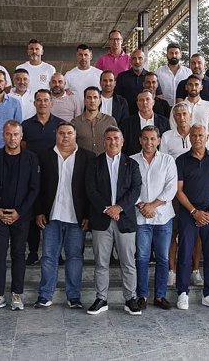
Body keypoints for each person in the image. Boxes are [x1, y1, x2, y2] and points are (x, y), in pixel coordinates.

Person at [34, 122, 95, 309]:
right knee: (48, 257)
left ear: (75, 135)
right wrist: (38, 211)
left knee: (75, 257)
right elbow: (37, 187)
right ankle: (45, 295)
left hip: (76, 218)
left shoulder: (88, 157)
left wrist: (88, 215)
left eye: (69, 133)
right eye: (62, 133)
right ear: (56, 135)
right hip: (51, 216)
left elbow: (91, 190)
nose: (65, 136)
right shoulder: (44, 156)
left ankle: (74, 296)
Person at [86, 126, 142, 315]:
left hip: (125, 220)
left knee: (128, 262)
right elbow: (90, 190)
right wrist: (108, 209)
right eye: (109, 138)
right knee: (101, 262)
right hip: (101, 220)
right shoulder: (95, 163)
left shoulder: (131, 164)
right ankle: (101, 299)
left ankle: (130, 299)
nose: (113, 142)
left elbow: (135, 189)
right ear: (104, 141)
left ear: (122, 141)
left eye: (116, 138)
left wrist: (118, 208)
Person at [0, 120, 40, 311]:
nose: (12, 138)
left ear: (21, 136)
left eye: (16, 134)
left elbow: (34, 189)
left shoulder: (31, 158)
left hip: (21, 216)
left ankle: (17, 293)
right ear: (3, 135)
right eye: (8, 134)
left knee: (18, 254)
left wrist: (20, 212)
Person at [174, 124, 209, 310]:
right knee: (185, 253)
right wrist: (194, 212)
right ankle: (182, 293)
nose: (197, 138)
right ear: (189, 138)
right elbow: (178, 190)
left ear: (206, 138)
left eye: (201, 135)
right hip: (189, 214)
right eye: (194, 135)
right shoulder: (181, 160)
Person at [131, 125, 177, 310]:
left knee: (163, 258)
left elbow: (171, 188)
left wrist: (153, 206)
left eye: (153, 139)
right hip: (141, 218)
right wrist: (143, 205)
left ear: (158, 140)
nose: (149, 142)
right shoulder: (132, 161)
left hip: (163, 218)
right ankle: (142, 295)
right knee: (141, 257)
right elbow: (129, 187)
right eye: (145, 138)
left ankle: (160, 295)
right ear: (140, 140)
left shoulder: (168, 160)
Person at [163, 104, 208, 289]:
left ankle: (195, 271)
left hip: (196, 191)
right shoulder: (167, 137)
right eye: (178, 114)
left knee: (197, 234)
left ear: (190, 116)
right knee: (173, 233)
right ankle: (171, 272)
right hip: (174, 193)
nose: (181, 117)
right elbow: (164, 164)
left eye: (184, 114)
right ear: (174, 117)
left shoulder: (199, 133)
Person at [21, 89, 65, 265]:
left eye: (46, 100)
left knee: (54, 213)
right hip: (31, 175)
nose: (42, 103)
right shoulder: (26, 125)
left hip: (54, 175)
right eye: (39, 100)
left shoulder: (60, 124)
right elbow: (22, 148)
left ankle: (57, 252)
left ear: (51, 103)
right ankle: (32, 251)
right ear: (34, 103)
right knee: (32, 213)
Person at [119, 89, 170, 156]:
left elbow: (167, 144)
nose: (144, 102)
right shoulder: (127, 123)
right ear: (137, 103)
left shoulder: (164, 122)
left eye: (147, 99)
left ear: (153, 102)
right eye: (141, 100)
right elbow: (123, 147)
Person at [115, 49, 163, 117]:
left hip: (148, 115)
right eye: (134, 58)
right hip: (128, 115)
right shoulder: (122, 77)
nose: (137, 61)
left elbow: (159, 96)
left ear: (145, 60)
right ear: (130, 61)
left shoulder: (151, 77)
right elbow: (117, 97)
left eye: (140, 58)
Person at [71, 86, 117, 156]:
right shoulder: (75, 122)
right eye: (89, 97)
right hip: (83, 163)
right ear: (84, 101)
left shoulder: (110, 121)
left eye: (95, 97)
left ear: (100, 100)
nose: (92, 101)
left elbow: (116, 143)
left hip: (105, 163)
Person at [65, 44, 103, 111]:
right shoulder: (69, 75)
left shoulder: (100, 74)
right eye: (80, 55)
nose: (83, 58)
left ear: (91, 56)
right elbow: (64, 94)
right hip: (75, 113)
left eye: (86, 55)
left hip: (96, 113)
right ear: (77, 56)